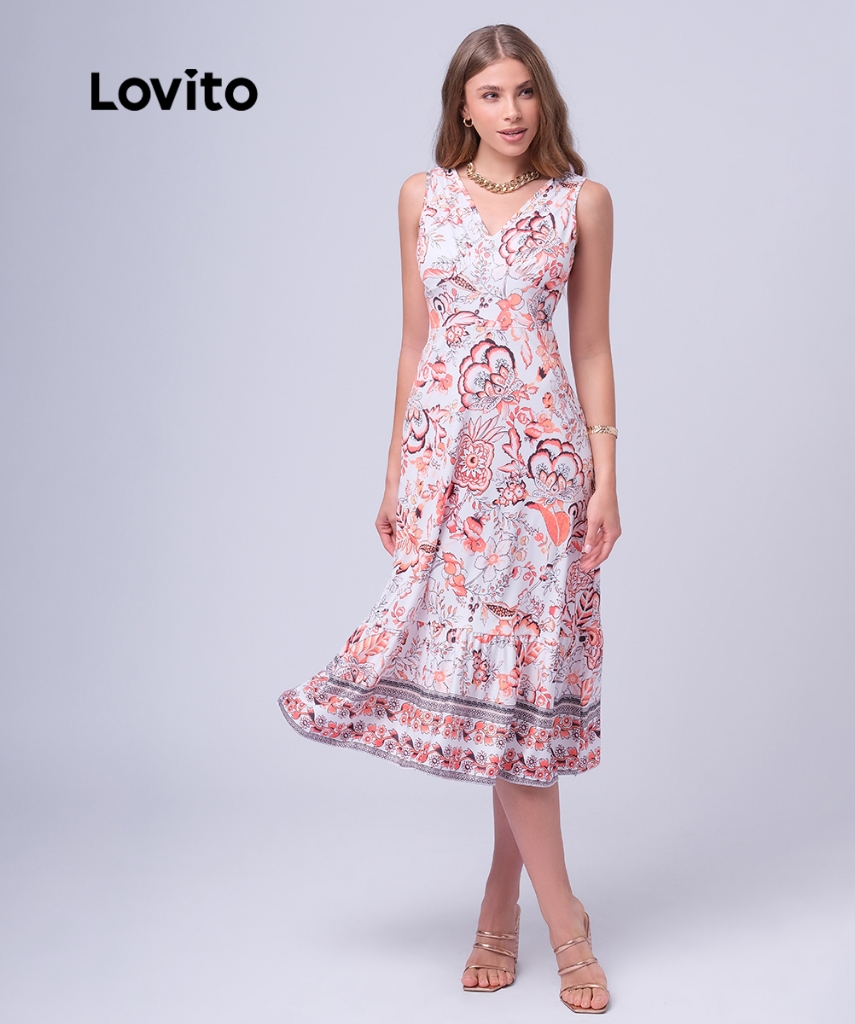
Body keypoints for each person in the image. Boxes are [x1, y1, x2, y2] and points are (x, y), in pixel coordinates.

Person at [278, 23, 620, 1014]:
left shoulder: (580, 203)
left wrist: (606, 477)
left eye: (524, 91)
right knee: (490, 685)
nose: (511, 111)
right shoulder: (419, 198)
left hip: (544, 472)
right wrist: (395, 470)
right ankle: (535, 908)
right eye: (491, 94)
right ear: (461, 107)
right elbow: (413, 341)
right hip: (449, 471)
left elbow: (591, 347)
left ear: (543, 99)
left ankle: (538, 916)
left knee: (520, 687)